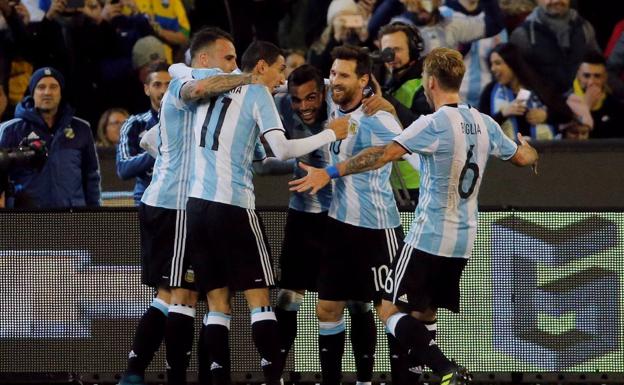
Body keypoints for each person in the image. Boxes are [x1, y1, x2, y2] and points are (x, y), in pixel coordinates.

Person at [290, 47, 539, 385]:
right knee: (425, 312)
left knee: (389, 309)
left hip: (427, 235)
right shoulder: (486, 123)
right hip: (463, 240)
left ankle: (443, 367)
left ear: (430, 82)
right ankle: (429, 375)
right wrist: (530, 147)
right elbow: (523, 157)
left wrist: (329, 172)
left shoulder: (433, 123)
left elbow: (381, 154)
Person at [181, 40, 348, 385]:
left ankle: (217, 379)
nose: (281, 79)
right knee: (260, 301)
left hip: (196, 206)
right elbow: (282, 147)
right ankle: (274, 379)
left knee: (216, 304)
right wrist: (332, 133)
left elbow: (257, 155)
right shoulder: (257, 94)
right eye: (280, 68)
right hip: (233, 206)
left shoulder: (207, 88)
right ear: (260, 67)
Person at [118, 27, 250, 385]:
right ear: (203, 60)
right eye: (228, 59)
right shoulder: (182, 85)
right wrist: (250, 77)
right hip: (174, 206)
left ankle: (142, 371)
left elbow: (151, 139)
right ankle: (147, 373)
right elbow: (195, 83)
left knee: (189, 293)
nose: (233, 67)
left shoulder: (204, 92)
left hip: (189, 206)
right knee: (180, 293)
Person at [297, 45, 406, 385]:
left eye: (343, 75)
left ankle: (383, 380)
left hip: (378, 228)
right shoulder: (333, 103)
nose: (335, 81)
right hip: (339, 226)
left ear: (364, 81)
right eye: (333, 74)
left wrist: (328, 173)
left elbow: (394, 152)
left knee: (389, 311)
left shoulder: (380, 117)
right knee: (326, 309)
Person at [271, 64, 379, 385]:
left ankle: (363, 380)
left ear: (325, 91)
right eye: (296, 100)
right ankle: (274, 375)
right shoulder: (278, 105)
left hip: (345, 217)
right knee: (287, 297)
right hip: (302, 215)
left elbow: (368, 89)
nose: (303, 106)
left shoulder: (342, 104)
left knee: (357, 302)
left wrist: (379, 99)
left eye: (311, 98)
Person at [0, 66, 100, 208]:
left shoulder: (81, 128)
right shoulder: (11, 129)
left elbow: (91, 176)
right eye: (41, 87)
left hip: (72, 218)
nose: (47, 92)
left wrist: (94, 214)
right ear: (32, 93)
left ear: (61, 92)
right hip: (27, 218)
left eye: (53, 87)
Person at [479, 43, 570, 140]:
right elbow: (480, 127)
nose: (493, 68)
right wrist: (503, 114)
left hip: (544, 151)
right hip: (506, 153)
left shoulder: (538, 86)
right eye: (491, 64)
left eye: (498, 63)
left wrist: (546, 115)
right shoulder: (490, 91)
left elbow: (567, 114)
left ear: (512, 63)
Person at [509, 0, 600, 95]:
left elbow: (599, 68)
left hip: (583, 103)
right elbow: (518, 83)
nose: (556, 0)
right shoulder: (524, 35)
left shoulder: (584, 28)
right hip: (543, 106)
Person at [116, 61, 170, 205]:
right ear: (147, 89)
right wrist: (159, 150)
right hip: (146, 200)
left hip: (182, 199)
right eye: (157, 85)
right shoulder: (134, 124)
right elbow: (123, 169)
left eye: (169, 84)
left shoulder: (190, 122)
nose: (164, 90)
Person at [568, 51, 624, 139]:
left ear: (605, 77)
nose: (591, 82)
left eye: (597, 76)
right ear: (578, 75)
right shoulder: (563, 103)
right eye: (586, 76)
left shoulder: (617, 107)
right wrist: (585, 107)